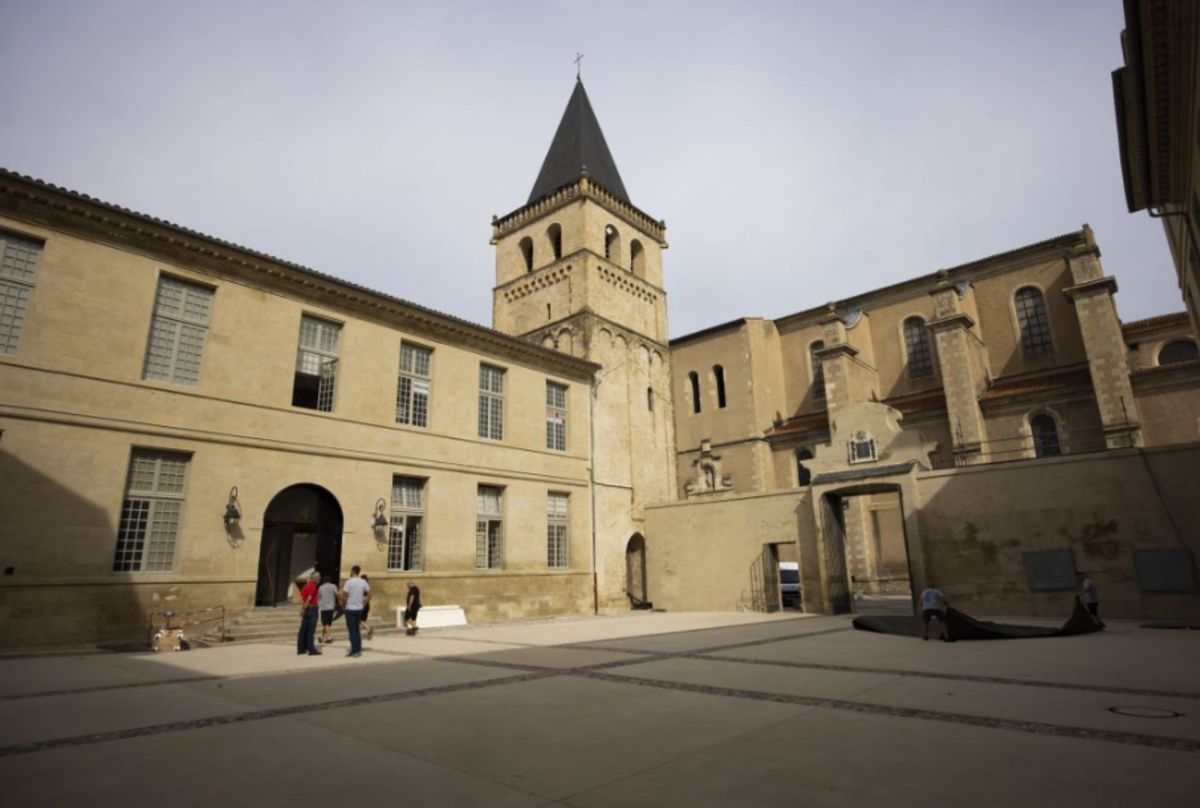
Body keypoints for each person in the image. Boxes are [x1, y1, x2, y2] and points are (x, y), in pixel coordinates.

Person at [340, 566, 370, 657]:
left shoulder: (348, 582)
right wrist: (363, 603)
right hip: (359, 608)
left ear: (352, 571)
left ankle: (355, 650)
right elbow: (369, 595)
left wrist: (343, 605)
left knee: (352, 630)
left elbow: (345, 596)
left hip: (350, 608)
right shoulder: (363, 582)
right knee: (356, 630)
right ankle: (356, 649)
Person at [296, 572, 321, 656]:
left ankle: (301, 649)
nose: (319, 579)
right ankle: (311, 649)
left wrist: (304, 607)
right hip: (312, 609)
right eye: (318, 578)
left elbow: (300, 599)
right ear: (314, 578)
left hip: (307, 609)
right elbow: (309, 598)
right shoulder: (313, 586)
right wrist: (304, 608)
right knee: (311, 630)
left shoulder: (305, 586)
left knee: (303, 630)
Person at [317, 574, 339, 644]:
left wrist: (319, 605)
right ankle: (322, 637)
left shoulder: (321, 587)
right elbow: (337, 594)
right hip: (331, 607)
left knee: (326, 623)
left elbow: (318, 597)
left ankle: (328, 637)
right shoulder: (333, 586)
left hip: (324, 607)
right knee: (328, 623)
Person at [359, 574, 374, 641]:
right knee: (362, 620)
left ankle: (369, 629)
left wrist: (363, 604)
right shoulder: (367, 586)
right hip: (366, 605)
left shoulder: (363, 587)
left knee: (359, 620)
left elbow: (366, 596)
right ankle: (367, 632)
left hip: (363, 605)